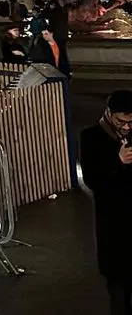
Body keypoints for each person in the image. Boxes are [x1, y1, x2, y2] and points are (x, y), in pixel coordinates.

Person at [80, 88, 132, 314]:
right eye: (122, 121)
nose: (127, 127)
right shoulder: (91, 137)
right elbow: (92, 180)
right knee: (118, 286)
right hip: (113, 224)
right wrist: (117, 161)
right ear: (109, 113)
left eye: (131, 122)